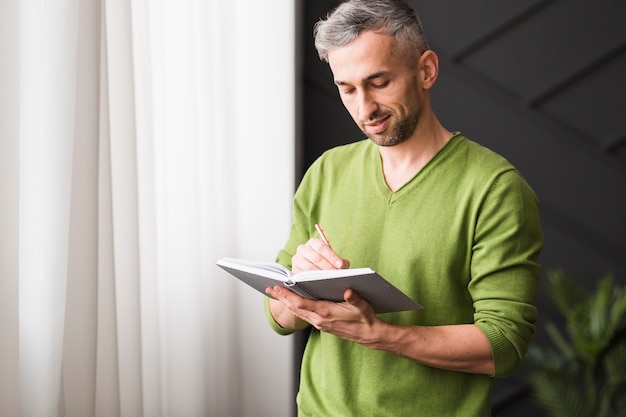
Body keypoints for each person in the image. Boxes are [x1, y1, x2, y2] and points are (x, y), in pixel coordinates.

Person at [264, 0, 543, 415]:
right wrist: (298, 289)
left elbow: (502, 345)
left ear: (426, 70)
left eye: (379, 82)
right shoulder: (327, 171)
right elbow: (278, 317)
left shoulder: (494, 188)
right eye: (348, 89)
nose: (365, 109)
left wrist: (376, 333)